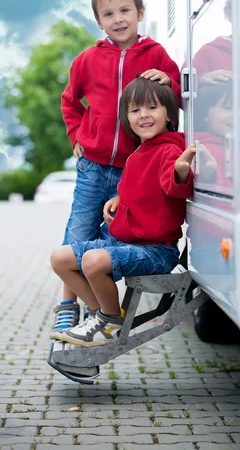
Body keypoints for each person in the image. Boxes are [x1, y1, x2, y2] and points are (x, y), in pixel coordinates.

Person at [51, 0, 181, 339]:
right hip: (93, 167)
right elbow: (69, 101)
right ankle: (70, 307)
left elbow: (174, 95)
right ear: (99, 21)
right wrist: (76, 134)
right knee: (77, 234)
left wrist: (168, 80)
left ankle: (103, 312)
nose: (118, 18)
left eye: (125, 10)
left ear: (140, 12)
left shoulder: (154, 54)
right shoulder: (87, 60)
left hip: (130, 166)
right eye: (108, 14)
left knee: (112, 237)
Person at [50, 77, 195, 347]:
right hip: (127, 242)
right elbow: (145, 187)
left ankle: (108, 321)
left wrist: (181, 171)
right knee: (60, 258)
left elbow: (173, 184)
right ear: (126, 118)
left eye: (152, 107)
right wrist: (119, 197)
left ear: (169, 113)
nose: (144, 116)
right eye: (135, 110)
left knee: (93, 261)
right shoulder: (138, 153)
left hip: (155, 251)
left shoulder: (169, 150)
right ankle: (100, 316)